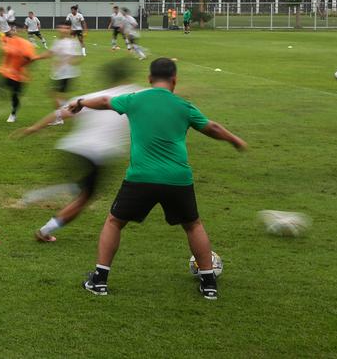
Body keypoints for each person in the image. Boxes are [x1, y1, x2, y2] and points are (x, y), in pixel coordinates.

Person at [73, 58, 247, 300]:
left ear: (149, 79)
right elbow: (213, 128)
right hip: (177, 178)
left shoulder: (135, 99)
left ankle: (99, 281)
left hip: (141, 177)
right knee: (193, 225)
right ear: (174, 80)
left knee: (114, 222)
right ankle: (209, 284)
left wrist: (81, 102)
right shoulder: (183, 106)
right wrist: (235, 140)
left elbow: (104, 101)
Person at [11, 58, 140, 241]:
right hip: (97, 154)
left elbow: (60, 113)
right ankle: (45, 231)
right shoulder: (135, 94)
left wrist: (33, 128)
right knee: (84, 198)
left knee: (82, 187)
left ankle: (57, 194)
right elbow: (162, 96)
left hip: (74, 148)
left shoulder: (93, 97)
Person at [0, 26, 40, 123]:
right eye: (12, 30)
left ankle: (13, 114)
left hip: (20, 75)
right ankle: (8, 98)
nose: (13, 32)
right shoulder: (7, 41)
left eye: (15, 30)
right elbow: (3, 48)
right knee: (5, 88)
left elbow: (31, 58)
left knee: (15, 95)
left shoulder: (26, 44)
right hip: (8, 73)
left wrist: (23, 64)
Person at [45, 23, 81, 121]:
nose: (63, 30)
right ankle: (70, 110)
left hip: (66, 74)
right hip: (59, 74)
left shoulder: (71, 42)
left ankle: (63, 115)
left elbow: (75, 58)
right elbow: (50, 53)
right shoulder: (58, 41)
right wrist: (35, 58)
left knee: (55, 94)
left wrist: (62, 63)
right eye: (61, 27)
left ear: (69, 30)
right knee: (56, 94)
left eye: (66, 28)